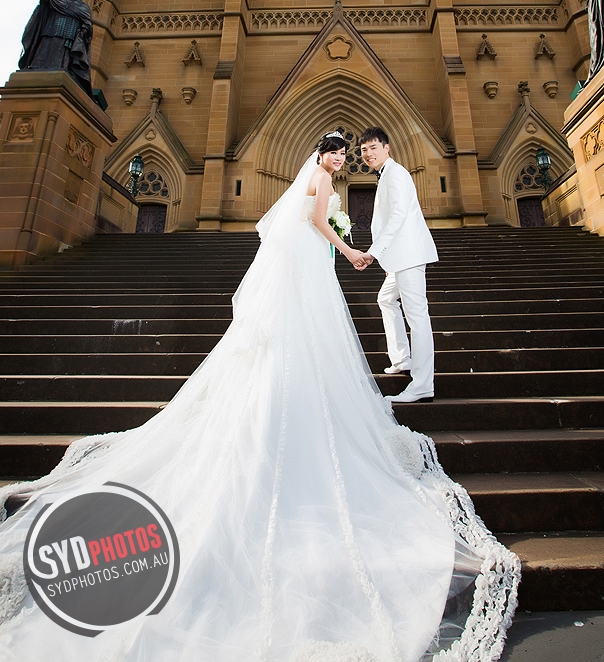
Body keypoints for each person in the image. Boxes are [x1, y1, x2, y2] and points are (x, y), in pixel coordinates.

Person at [0, 131, 519, 662]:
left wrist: (359, 248)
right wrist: (348, 247)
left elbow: (347, 218)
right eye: (341, 153)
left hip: (340, 260)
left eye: (353, 153)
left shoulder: (371, 176)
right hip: (319, 261)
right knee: (318, 333)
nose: (347, 159)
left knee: (322, 330)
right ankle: (393, 374)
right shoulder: (323, 181)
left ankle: (406, 370)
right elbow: (319, 221)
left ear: (374, 151)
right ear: (322, 155)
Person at [358, 128, 438, 405]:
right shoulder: (387, 174)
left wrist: (374, 253)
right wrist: (388, 259)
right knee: (385, 299)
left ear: (386, 148)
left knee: (418, 317)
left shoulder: (396, 173)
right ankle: (402, 358)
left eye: (373, 147)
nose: (368, 154)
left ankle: (422, 384)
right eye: (364, 150)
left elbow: (399, 216)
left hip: (409, 255)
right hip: (400, 257)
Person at [19, 0, 94, 98]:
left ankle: (63, 68)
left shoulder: (83, 7)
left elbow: (87, 22)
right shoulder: (59, 1)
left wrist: (84, 30)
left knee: (63, 55)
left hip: (68, 34)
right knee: (45, 49)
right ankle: (37, 66)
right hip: (52, 29)